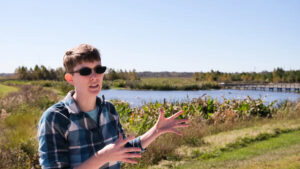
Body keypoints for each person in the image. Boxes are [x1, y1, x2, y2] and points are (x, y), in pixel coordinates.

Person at [37, 44, 189, 169]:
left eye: (99, 69)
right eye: (85, 72)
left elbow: (122, 150)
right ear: (70, 78)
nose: (94, 77)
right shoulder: (55, 118)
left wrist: (156, 131)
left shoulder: (109, 110)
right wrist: (102, 157)